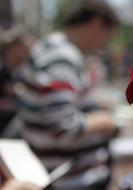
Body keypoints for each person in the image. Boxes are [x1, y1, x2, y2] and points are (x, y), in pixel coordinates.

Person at [15, 1, 118, 189]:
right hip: (71, 180)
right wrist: (103, 121)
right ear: (96, 25)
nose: (106, 44)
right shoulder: (62, 59)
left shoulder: (53, 48)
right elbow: (63, 128)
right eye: (108, 35)